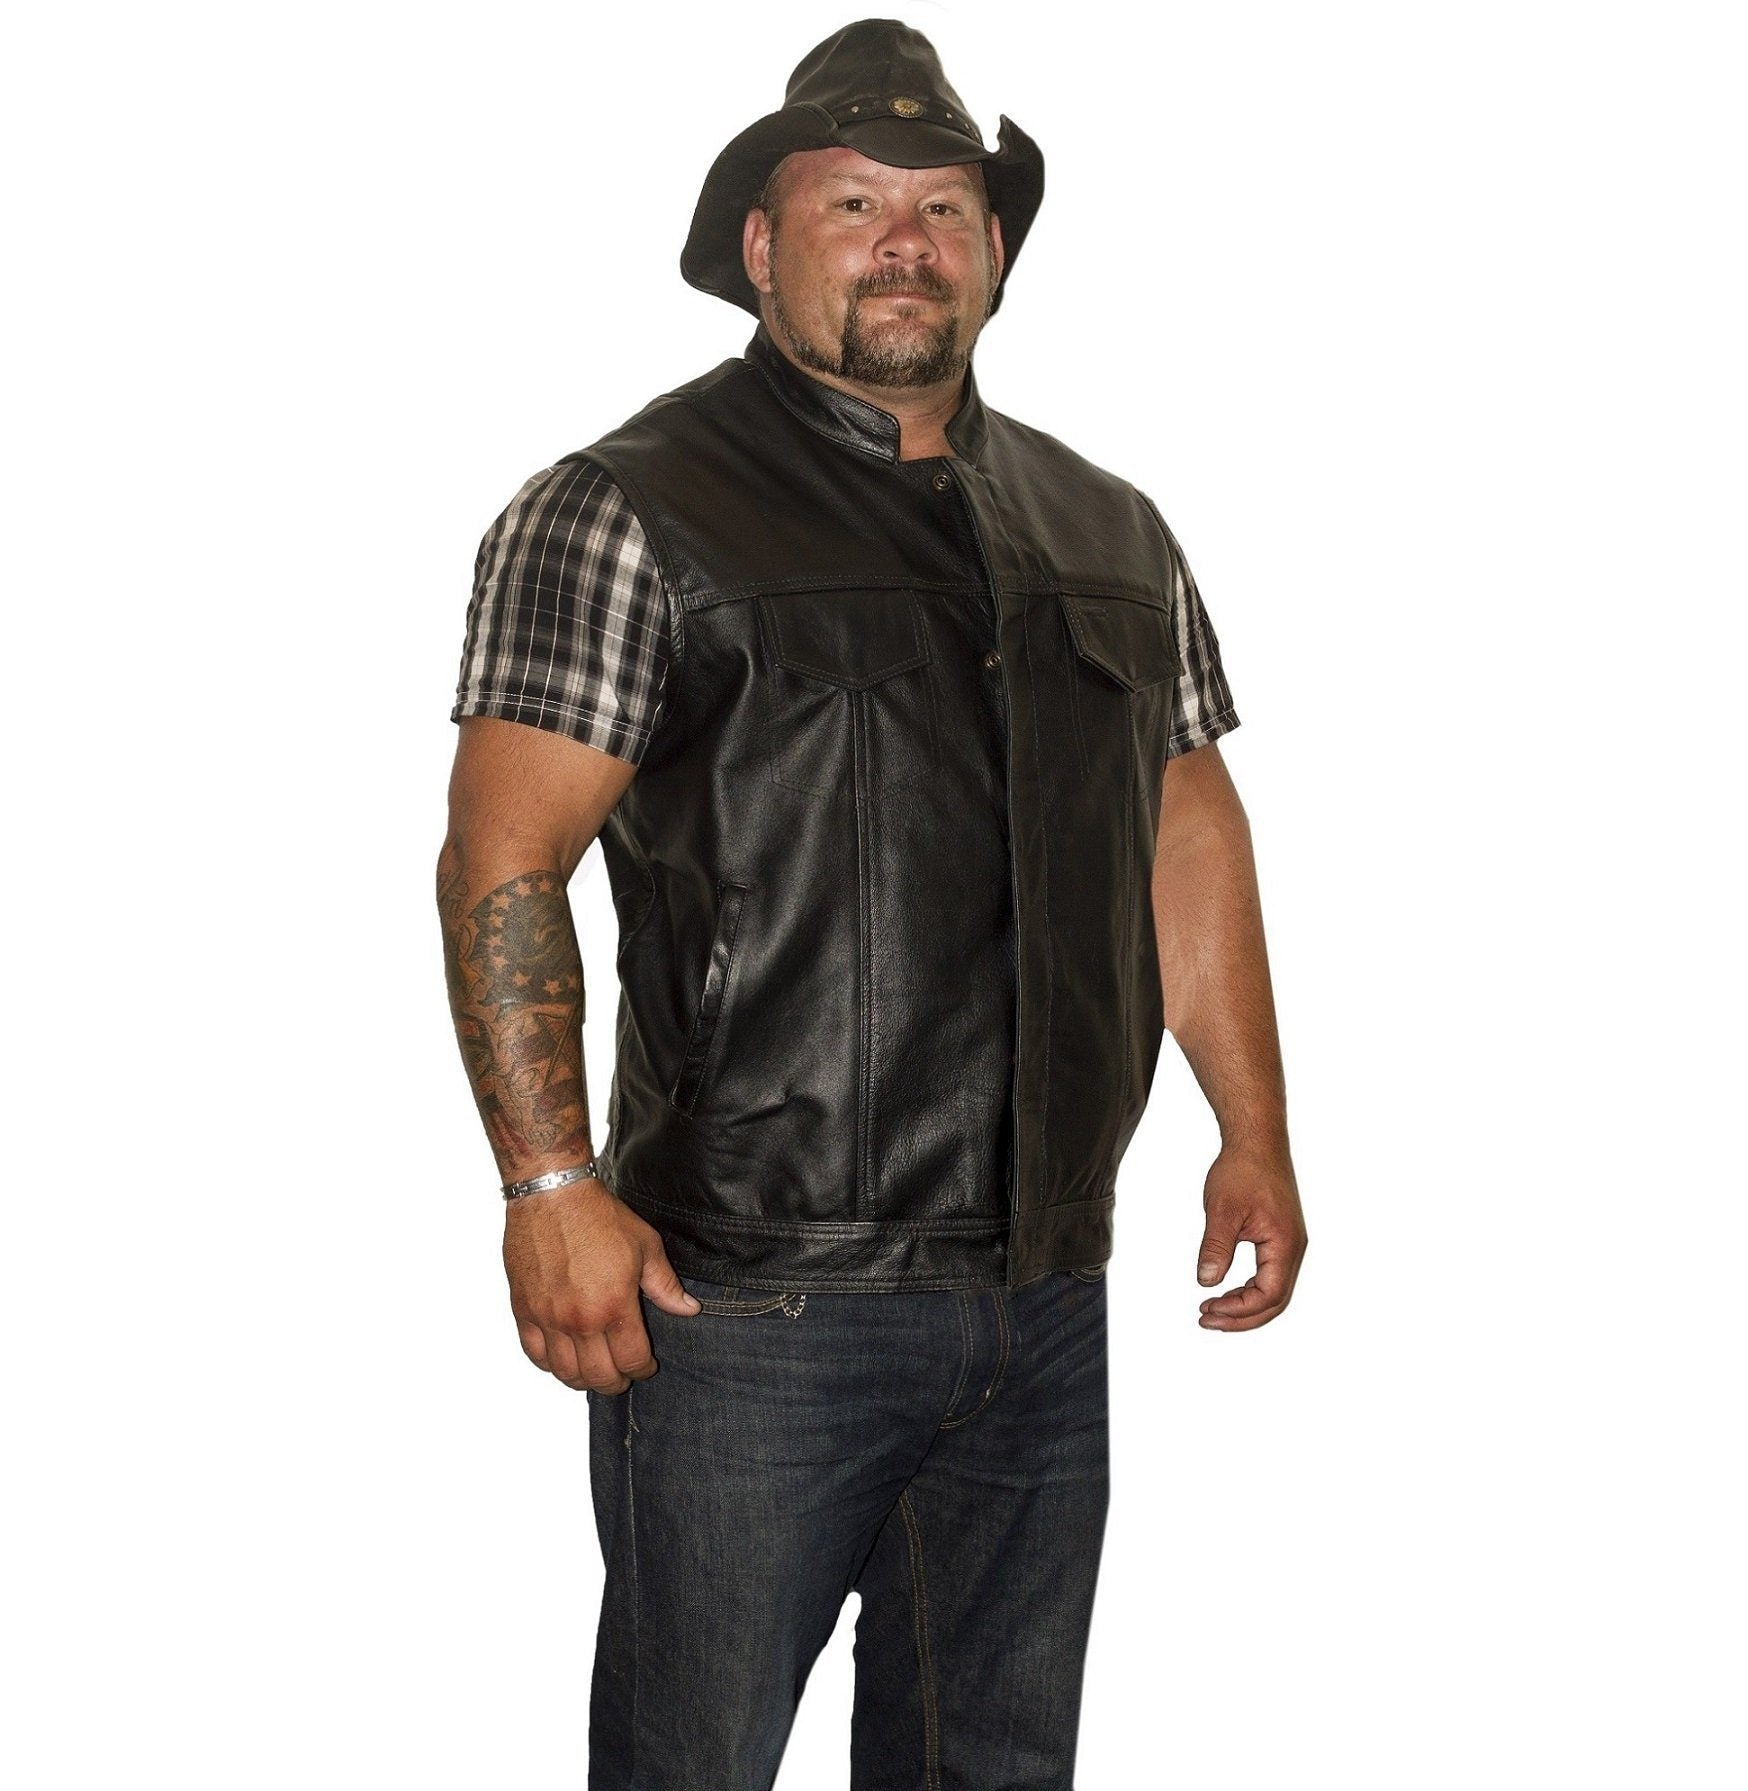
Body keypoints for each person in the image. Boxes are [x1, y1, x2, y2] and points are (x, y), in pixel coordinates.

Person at [437, 18, 1307, 1789]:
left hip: (1045, 1290)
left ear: (993, 251)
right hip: (748, 1302)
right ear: (763, 246)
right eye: (854, 202)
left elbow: (1186, 819)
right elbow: (502, 858)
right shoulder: (623, 509)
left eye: (945, 207)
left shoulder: (1110, 528)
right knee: (692, 1763)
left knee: (993, 1767)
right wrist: (548, 1188)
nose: (905, 240)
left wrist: (1254, 1129)